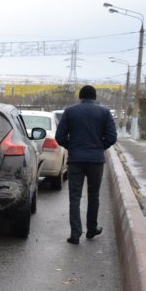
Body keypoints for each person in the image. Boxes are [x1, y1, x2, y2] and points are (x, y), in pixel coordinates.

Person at [55, 85, 117, 245]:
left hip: (75, 160)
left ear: (80, 97)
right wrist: (98, 147)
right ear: (94, 98)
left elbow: (60, 136)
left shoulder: (70, 111)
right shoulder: (104, 113)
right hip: (96, 161)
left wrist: (73, 147)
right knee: (93, 195)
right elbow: (112, 137)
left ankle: (75, 234)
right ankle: (91, 229)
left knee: (74, 197)